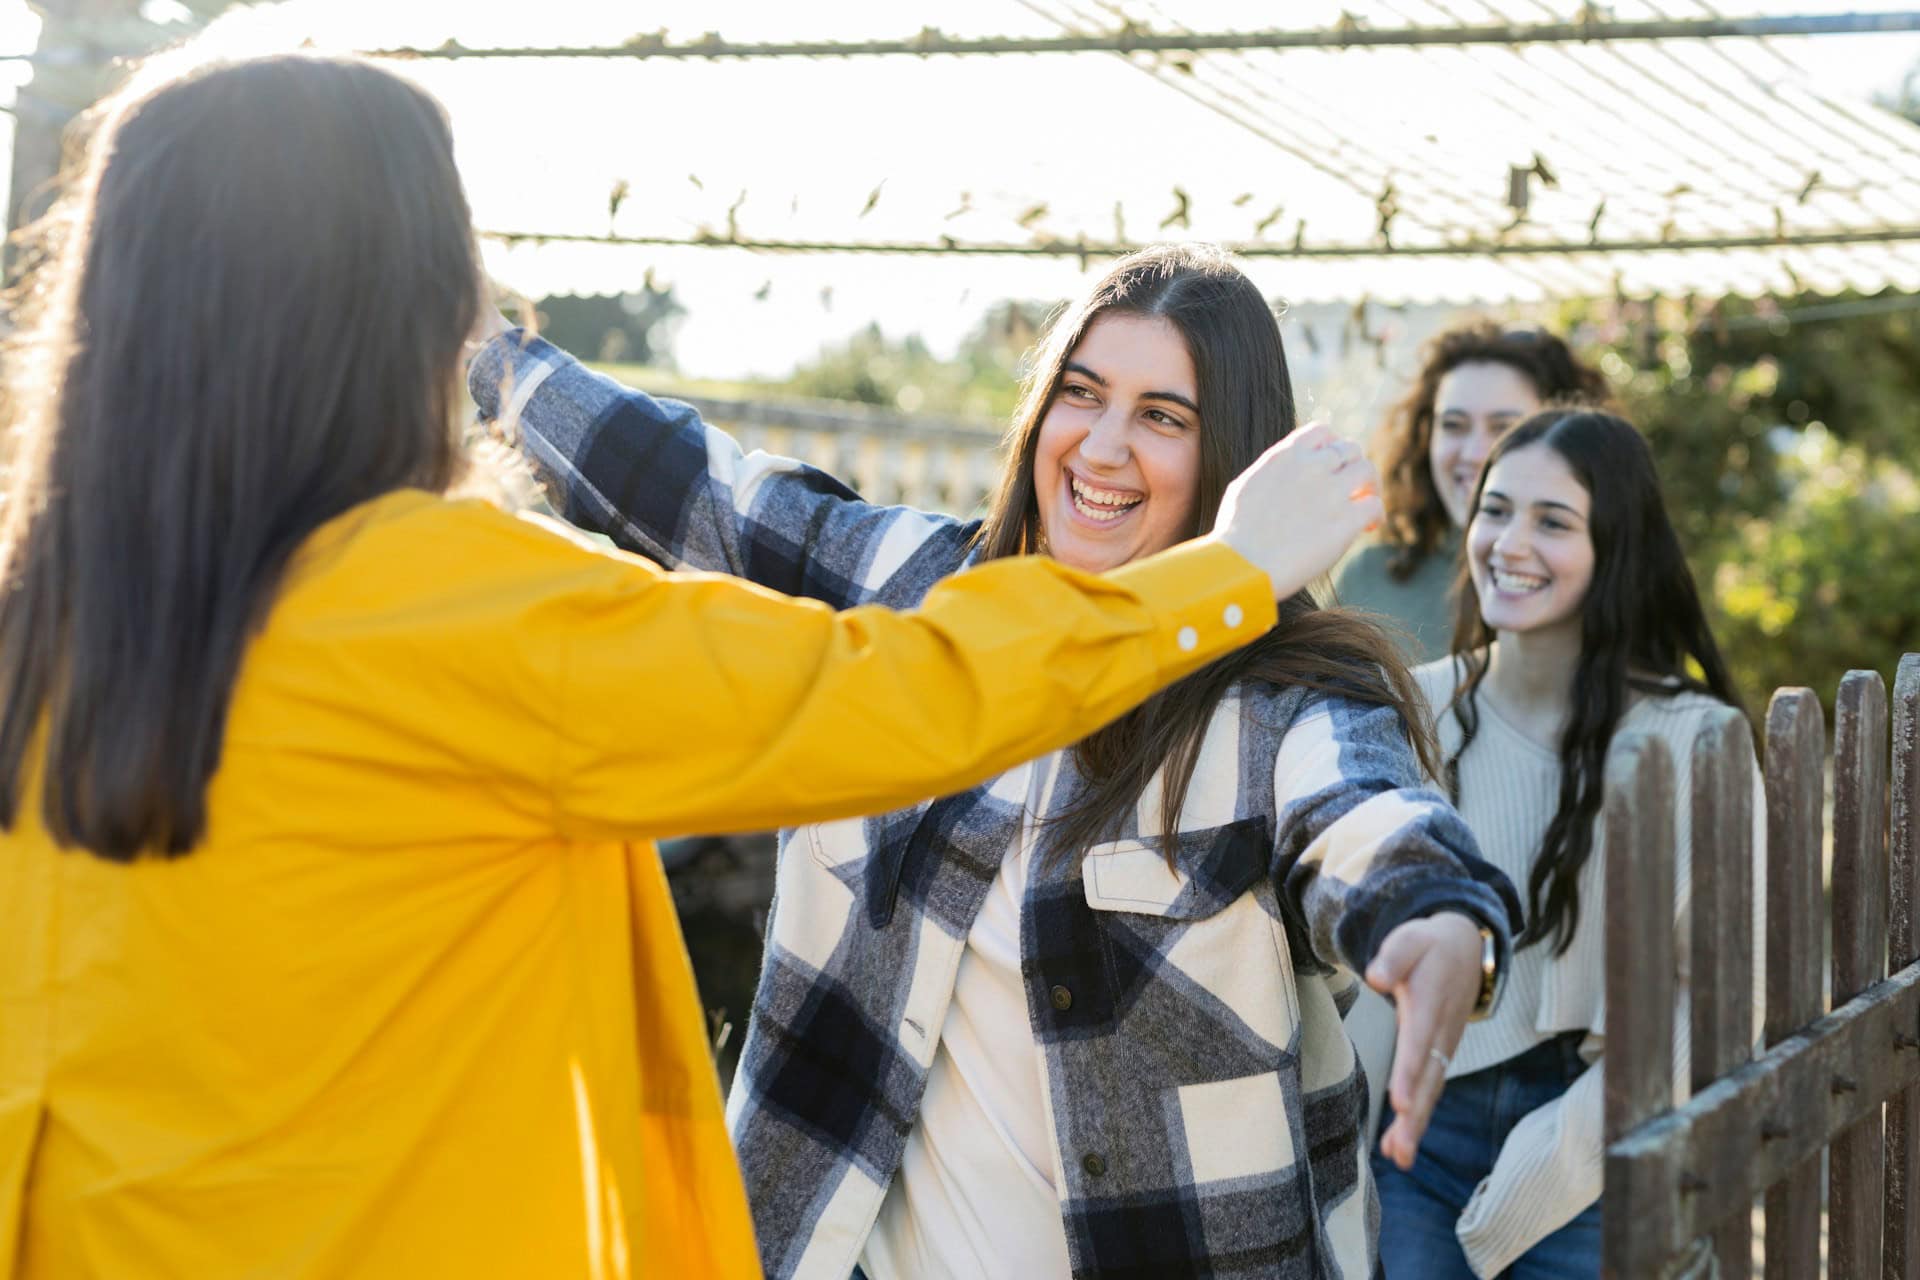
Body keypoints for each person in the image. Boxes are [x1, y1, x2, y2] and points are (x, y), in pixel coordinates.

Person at [0, 56, 1393, 1280]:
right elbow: (881, 692)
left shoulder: (40, 622)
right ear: (401, 312)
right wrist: (1225, 572)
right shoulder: (446, 611)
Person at [469, 242, 1523, 1280]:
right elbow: (695, 488)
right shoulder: (918, 592)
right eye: (1081, 394)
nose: (1103, 447)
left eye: (1162, 416)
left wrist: (1432, 913)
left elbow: (1365, 808)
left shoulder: (1277, 701)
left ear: (1232, 458)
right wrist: (477, 349)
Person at [1371, 409, 1765, 1278]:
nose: (1510, 543)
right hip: (1418, 1137)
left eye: (1554, 522)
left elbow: (1709, 1007)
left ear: (1616, 546)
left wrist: (1556, 1159)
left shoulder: (1697, 738)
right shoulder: (1413, 711)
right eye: (1496, 510)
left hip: (1603, 1137)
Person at [1333, 323, 1609, 663]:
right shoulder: (1368, 580)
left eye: (1505, 428)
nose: (1475, 453)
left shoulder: (1602, 580)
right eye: (1454, 425)